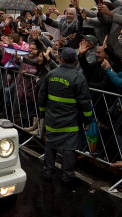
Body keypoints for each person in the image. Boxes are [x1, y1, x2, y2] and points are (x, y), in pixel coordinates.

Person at [38, 47, 93, 184]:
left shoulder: (51, 74)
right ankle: (67, 176)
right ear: (75, 60)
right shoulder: (78, 77)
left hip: (52, 118)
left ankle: (48, 172)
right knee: (69, 147)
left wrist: (42, 112)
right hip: (70, 120)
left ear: (61, 59)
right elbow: (85, 102)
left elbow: (42, 96)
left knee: (51, 144)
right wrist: (87, 119)